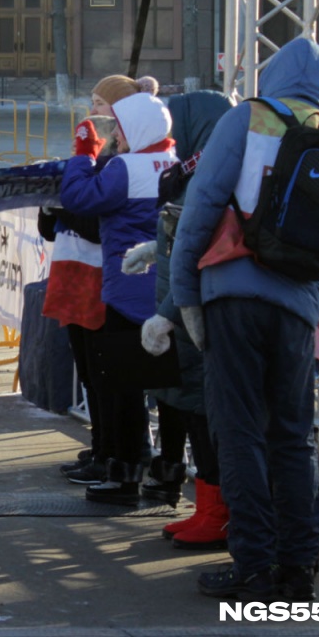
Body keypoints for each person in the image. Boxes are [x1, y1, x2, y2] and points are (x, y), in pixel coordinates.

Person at [170, 37, 319, 602]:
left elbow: (201, 206)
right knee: (292, 438)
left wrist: (184, 293)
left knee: (239, 431)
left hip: (235, 297)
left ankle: (254, 567)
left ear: (274, 73)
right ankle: (298, 570)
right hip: (299, 307)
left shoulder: (250, 118)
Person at [60, 83, 176, 505]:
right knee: (171, 393)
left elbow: (77, 197)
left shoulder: (125, 168)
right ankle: (167, 476)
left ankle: (124, 475)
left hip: (127, 290)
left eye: (122, 129)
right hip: (166, 291)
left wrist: (82, 155)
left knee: (122, 387)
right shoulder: (175, 161)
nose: (118, 137)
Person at [136, 90, 233, 550]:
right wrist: (154, 249)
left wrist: (167, 315)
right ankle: (208, 508)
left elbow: (201, 251)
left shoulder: (212, 173)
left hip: (195, 316)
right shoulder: (198, 168)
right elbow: (184, 237)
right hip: (186, 310)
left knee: (204, 416)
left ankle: (216, 513)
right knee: (194, 413)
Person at [39, 75, 130, 485]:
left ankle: (115, 452)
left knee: (106, 374)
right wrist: (50, 201)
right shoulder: (94, 154)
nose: (94, 110)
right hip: (75, 275)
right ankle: (101, 445)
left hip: (103, 280)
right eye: (91, 100)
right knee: (89, 373)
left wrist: (64, 201)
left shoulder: (121, 160)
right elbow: (53, 227)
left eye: (102, 103)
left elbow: (95, 223)